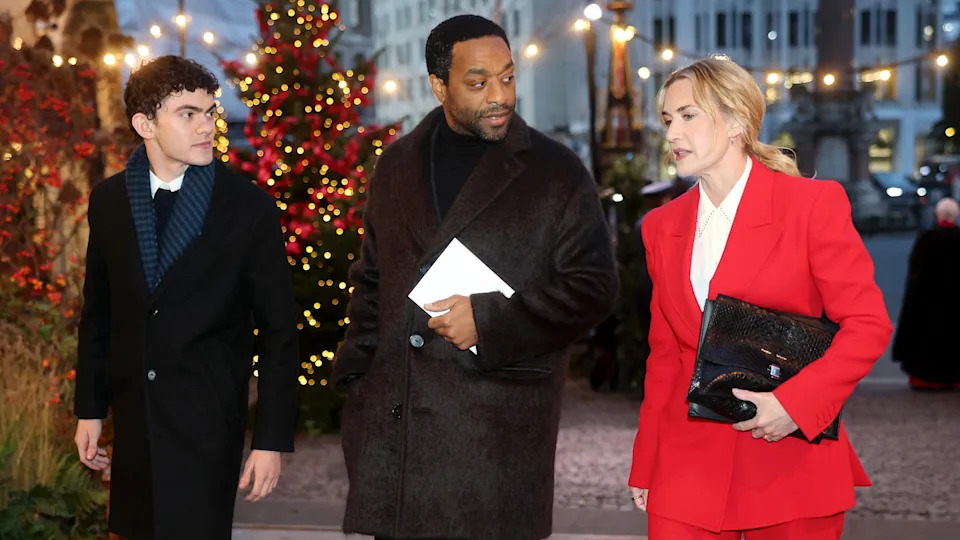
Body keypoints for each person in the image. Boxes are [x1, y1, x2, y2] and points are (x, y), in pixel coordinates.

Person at [331, 14, 617, 540]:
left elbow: (594, 287)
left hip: (494, 443)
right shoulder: (396, 165)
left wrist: (490, 322)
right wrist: (357, 381)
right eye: (478, 82)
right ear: (439, 85)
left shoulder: (555, 171)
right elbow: (371, 279)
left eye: (507, 77)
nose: (499, 95)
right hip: (397, 441)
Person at [628, 57, 892, 539]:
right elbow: (665, 355)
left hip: (790, 457)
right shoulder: (662, 226)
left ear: (734, 121)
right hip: (687, 464)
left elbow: (868, 324)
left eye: (688, 115)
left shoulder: (811, 206)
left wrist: (795, 404)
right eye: (668, 119)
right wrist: (646, 462)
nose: (672, 133)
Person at [73, 56, 299, 539]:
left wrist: (270, 440)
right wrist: (90, 410)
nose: (206, 127)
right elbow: (99, 314)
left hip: (207, 424)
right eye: (188, 113)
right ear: (144, 124)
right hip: (135, 423)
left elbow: (278, 329)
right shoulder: (110, 201)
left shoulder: (247, 207)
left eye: (211, 112)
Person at [892, 197, 960, 390]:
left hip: (927, 301)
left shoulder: (926, 238)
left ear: (937, 215)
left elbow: (916, 272)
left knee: (926, 340)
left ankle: (926, 378)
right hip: (954, 303)